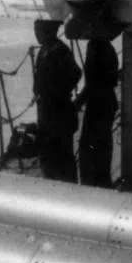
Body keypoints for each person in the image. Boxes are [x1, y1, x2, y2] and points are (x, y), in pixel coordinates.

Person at [32, 19, 82, 181]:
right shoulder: (46, 50)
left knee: (62, 157)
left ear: (48, 31)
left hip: (58, 113)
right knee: (49, 155)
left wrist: (57, 93)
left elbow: (75, 73)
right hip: (48, 113)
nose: (37, 34)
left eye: (39, 30)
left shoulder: (59, 51)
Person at [75, 34, 120, 188]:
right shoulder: (105, 47)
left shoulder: (96, 47)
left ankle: (95, 186)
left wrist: (77, 102)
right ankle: (101, 182)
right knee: (100, 147)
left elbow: (93, 83)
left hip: (99, 104)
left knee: (92, 149)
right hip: (104, 102)